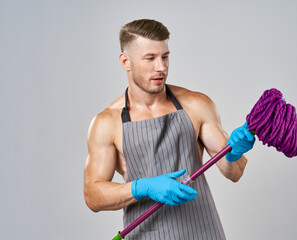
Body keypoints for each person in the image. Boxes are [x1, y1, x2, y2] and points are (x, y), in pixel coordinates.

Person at [83, 19, 255, 240]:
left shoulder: (196, 104)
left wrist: (234, 153)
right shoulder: (107, 122)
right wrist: (141, 187)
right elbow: (93, 196)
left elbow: (234, 173)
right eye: (150, 58)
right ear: (126, 61)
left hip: (204, 232)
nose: (161, 67)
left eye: (165, 56)